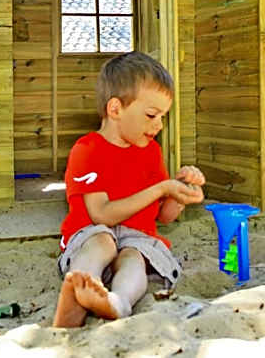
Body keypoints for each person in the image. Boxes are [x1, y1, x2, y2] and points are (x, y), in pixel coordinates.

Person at [52, 51, 205, 327]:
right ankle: (80, 288)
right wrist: (161, 188)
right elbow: (102, 215)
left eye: (163, 116)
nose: (159, 125)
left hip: (136, 237)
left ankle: (118, 302)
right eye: (151, 115)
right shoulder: (87, 150)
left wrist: (181, 193)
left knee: (134, 255)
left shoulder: (151, 151)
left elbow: (165, 216)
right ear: (115, 109)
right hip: (92, 235)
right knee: (102, 241)